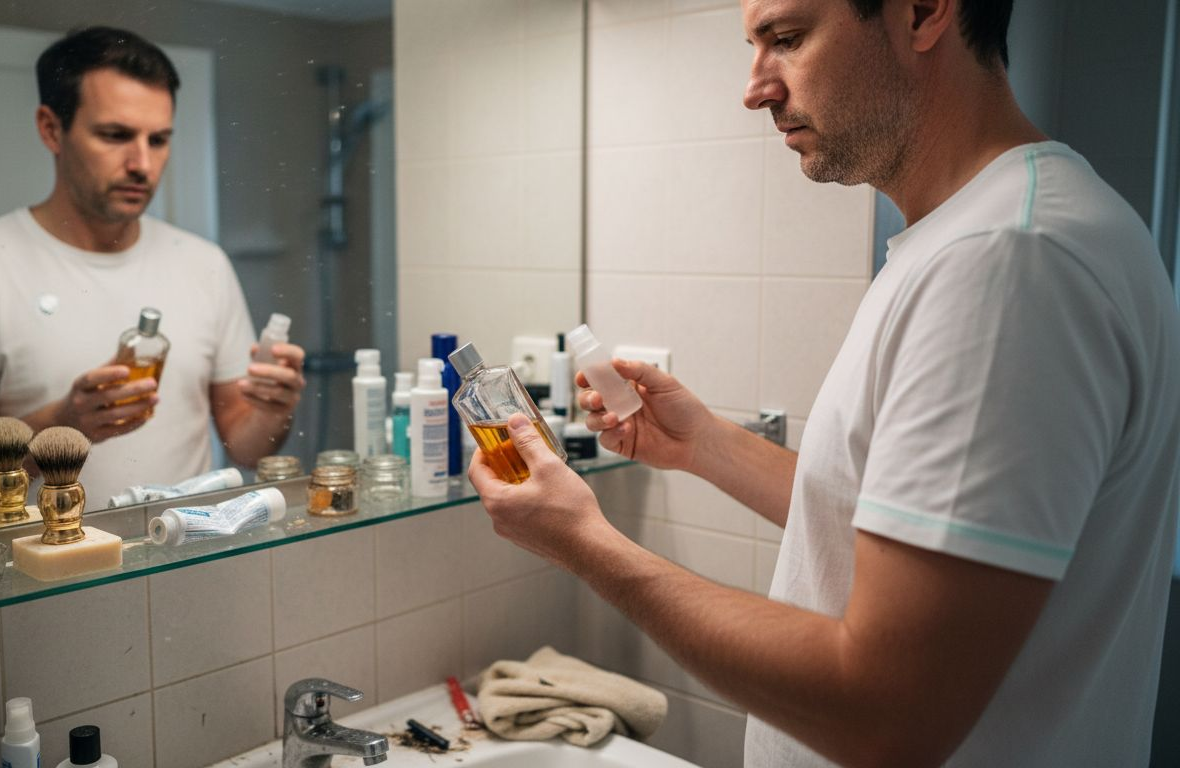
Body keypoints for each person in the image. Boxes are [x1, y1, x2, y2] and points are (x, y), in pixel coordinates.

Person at [468, 0, 1180, 765]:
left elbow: (887, 710)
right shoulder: (988, 234)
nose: (755, 88)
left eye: (788, 38)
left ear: (923, 13)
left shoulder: (1008, 262)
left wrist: (588, 545)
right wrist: (705, 445)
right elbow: (890, 519)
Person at [0, 26, 305, 510]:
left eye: (158, 140)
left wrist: (273, 410)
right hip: (44, 571)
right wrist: (63, 425)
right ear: (51, 129)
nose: (143, 163)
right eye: (115, 135)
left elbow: (246, 445)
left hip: (187, 557)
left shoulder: (204, 264)